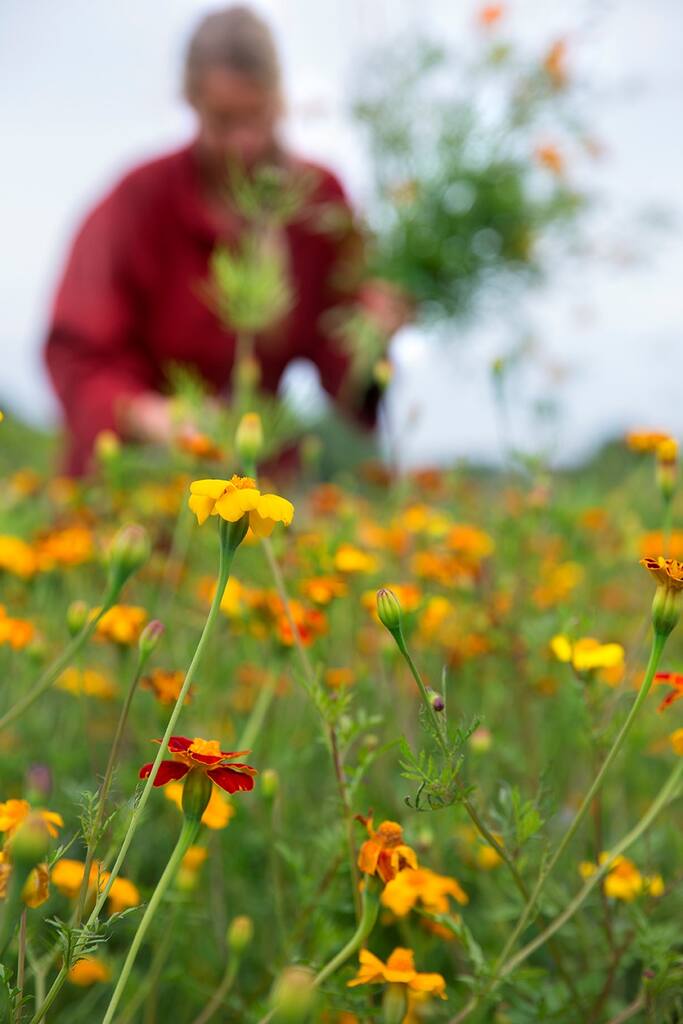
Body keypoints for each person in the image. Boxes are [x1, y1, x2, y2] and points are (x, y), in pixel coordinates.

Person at [44, 5, 407, 475]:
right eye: (223, 122)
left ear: (280, 100)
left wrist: (372, 339)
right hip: (137, 474)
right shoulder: (140, 200)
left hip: (250, 478)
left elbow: (344, 373)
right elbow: (77, 350)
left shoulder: (319, 202)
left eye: (258, 118)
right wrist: (148, 415)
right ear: (190, 103)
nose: (244, 144)